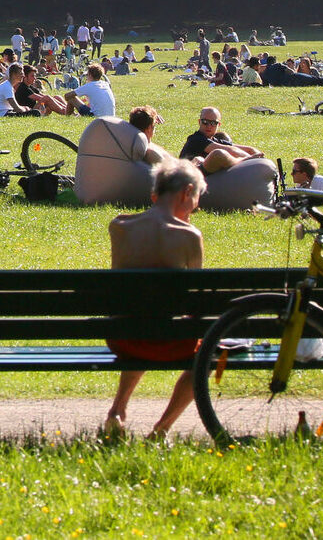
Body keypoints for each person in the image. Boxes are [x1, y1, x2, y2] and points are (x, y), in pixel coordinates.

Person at [102, 159, 206, 440]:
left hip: (123, 336)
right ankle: (161, 430)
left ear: (154, 194)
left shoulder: (119, 226)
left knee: (142, 321)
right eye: (196, 198)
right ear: (186, 192)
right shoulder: (189, 236)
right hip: (172, 341)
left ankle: (117, 411)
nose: (195, 207)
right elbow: (197, 300)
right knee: (202, 352)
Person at [179, 107, 264, 174]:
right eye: (205, 122)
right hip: (191, 175)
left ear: (218, 125)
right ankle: (243, 161)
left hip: (210, 178)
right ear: (199, 122)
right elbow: (229, 150)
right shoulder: (195, 139)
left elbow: (249, 149)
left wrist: (260, 159)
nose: (209, 126)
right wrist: (248, 159)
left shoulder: (217, 140)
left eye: (213, 123)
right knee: (219, 154)